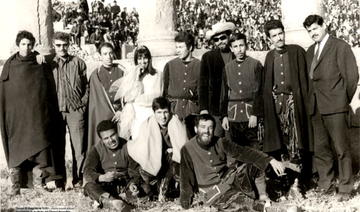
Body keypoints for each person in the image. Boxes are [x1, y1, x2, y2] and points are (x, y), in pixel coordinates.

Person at [303, 15, 358, 200]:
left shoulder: (340, 46)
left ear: (324, 26)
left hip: (336, 107)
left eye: (315, 29)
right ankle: (325, 184)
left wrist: (341, 100)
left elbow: (351, 78)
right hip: (317, 108)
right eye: (309, 30)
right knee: (321, 149)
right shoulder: (310, 51)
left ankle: (345, 188)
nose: (313, 33)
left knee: (342, 149)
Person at [180, 114, 286, 210]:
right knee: (240, 203)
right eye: (203, 127)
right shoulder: (187, 149)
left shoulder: (220, 142)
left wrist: (270, 160)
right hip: (212, 192)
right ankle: (262, 208)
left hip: (228, 180)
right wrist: (186, 202)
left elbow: (243, 152)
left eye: (210, 128)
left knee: (253, 163)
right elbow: (186, 176)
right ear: (195, 129)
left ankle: (263, 196)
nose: (207, 131)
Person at [0, 30, 60, 195]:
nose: (26, 48)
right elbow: (5, 92)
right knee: (17, 149)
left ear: (33, 46)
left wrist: (40, 56)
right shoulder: (10, 65)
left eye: (29, 45)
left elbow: (45, 89)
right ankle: (15, 185)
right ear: (17, 45)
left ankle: (41, 182)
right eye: (23, 44)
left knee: (39, 146)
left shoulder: (38, 63)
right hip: (16, 117)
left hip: (35, 116)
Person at [262, 20, 311, 192]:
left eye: (280, 33)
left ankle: (299, 182)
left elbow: (306, 79)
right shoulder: (269, 57)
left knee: (296, 142)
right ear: (269, 39)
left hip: (293, 104)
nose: (279, 38)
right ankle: (286, 182)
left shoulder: (296, 51)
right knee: (281, 143)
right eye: (274, 36)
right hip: (276, 106)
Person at [127, 97, 188, 200]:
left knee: (174, 164)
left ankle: (166, 188)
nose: (163, 117)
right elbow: (142, 147)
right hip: (154, 161)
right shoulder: (147, 124)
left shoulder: (176, 123)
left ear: (170, 112)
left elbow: (182, 147)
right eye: (159, 113)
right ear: (154, 113)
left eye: (165, 112)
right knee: (144, 187)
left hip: (171, 163)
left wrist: (172, 150)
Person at [49, 31, 89, 190]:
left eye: (65, 45)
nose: (62, 48)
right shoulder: (48, 63)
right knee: (58, 147)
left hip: (75, 110)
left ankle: (78, 179)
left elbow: (87, 86)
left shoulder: (78, 63)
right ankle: (59, 180)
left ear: (69, 45)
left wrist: (83, 104)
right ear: (54, 45)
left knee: (79, 148)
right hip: (57, 111)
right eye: (58, 45)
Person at [83, 120, 138, 211]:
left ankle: (111, 202)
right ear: (101, 139)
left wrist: (133, 184)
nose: (111, 140)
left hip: (125, 185)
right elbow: (88, 171)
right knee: (89, 186)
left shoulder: (128, 146)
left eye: (112, 135)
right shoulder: (96, 149)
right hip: (105, 186)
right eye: (106, 138)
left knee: (145, 188)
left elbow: (135, 170)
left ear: (117, 133)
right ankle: (111, 202)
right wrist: (101, 177)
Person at [110, 45, 163, 140]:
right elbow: (128, 98)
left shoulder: (158, 74)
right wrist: (137, 79)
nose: (142, 62)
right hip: (137, 114)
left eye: (145, 58)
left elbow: (160, 94)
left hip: (152, 112)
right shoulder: (132, 75)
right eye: (139, 59)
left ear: (149, 59)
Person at [221, 32, 263, 148]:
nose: (239, 50)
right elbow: (224, 94)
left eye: (241, 45)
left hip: (250, 115)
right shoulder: (227, 68)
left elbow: (259, 91)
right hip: (233, 116)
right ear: (231, 49)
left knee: (254, 149)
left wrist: (255, 113)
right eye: (235, 46)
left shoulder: (255, 65)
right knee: (237, 150)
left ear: (246, 46)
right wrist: (224, 116)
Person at [87, 42, 125, 159]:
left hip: (121, 115)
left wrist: (122, 111)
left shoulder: (122, 71)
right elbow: (95, 102)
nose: (108, 56)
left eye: (110, 53)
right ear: (100, 56)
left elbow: (128, 95)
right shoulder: (96, 75)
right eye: (105, 54)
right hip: (103, 115)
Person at [199, 22, 235, 137]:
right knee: (216, 138)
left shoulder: (237, 54)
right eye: (216, 40)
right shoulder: (208, 57)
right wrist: (203, 108)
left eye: (223, 38)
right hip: (215, 107)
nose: (220, 41)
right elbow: (203, 84)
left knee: (231, 142)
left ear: (229, 36)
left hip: (233, 106)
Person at [163, 31, 200, 121]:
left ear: (190, 47)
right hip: (173, 111)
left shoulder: (200, 65)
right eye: (176, 47)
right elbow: (165, 91)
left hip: (192, 111)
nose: (177, 50)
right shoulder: (170, 65)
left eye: (180, 47)